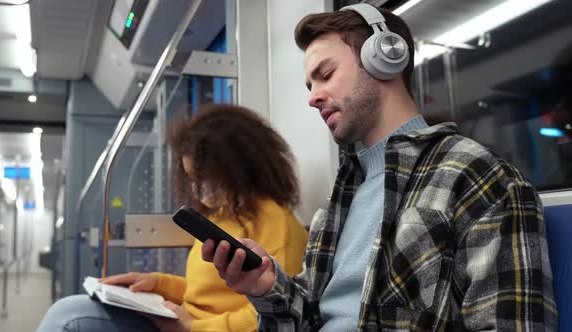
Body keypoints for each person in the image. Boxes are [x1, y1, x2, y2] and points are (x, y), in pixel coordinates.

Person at [202, 2, 557, 331]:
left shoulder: (473, 175)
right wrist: (266, 286)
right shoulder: (339, 201)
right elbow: (311, 320)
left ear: (384, 57)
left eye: (325, 74)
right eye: (311, 85)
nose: (312, 97)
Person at [37, 104, 309, 332]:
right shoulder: (224, 215)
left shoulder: (277, 223)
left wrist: (193, 327)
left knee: (69, 318)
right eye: (192, 180)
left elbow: (278, 312)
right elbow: (205, 293)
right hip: (180, 321)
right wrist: (158, 283)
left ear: (238, 167)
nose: (198, 190)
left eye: (204, 178)